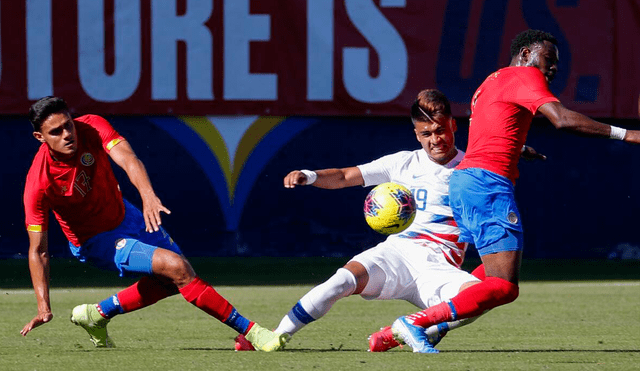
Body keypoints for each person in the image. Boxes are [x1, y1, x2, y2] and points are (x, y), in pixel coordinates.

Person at [234, 89, 544, 353]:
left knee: (479, 299)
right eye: (426, 133)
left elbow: (499, 151)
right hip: (395, 254)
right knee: (340, 281)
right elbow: (344, 176)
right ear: (416, 133)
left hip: (439, 266)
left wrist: (518, 150)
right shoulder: (402, 163)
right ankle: (276, 336)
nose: (435, 139)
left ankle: (394, 334)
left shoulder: (473, 168)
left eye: (441, 130)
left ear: (453, 124)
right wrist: (310, 175)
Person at [389, 29, 640, 352]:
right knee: (504, 286)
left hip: (467, 182)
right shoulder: (525, 75)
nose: (552, 69)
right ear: (525, 54)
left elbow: (489, 126)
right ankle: (417, 322)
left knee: (493, 275)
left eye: (555, 65)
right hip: (486, 184)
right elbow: (562, 120)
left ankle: (395, 334)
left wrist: (517, 147)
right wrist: (629, 135)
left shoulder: (490, 82)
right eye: (548, 60)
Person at [20, 96, 287, 351]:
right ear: (39, 137)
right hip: (96, 242)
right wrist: (44, 307)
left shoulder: (90, 125)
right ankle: (251, 331)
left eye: (68, 124)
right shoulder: (39, 183)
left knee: (174, 281)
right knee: (177, 268)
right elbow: (38, 251)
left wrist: (148, 196)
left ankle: (96, 314)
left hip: (130, 216)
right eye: (56, 132)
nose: (67, 134)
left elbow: (128, 158)